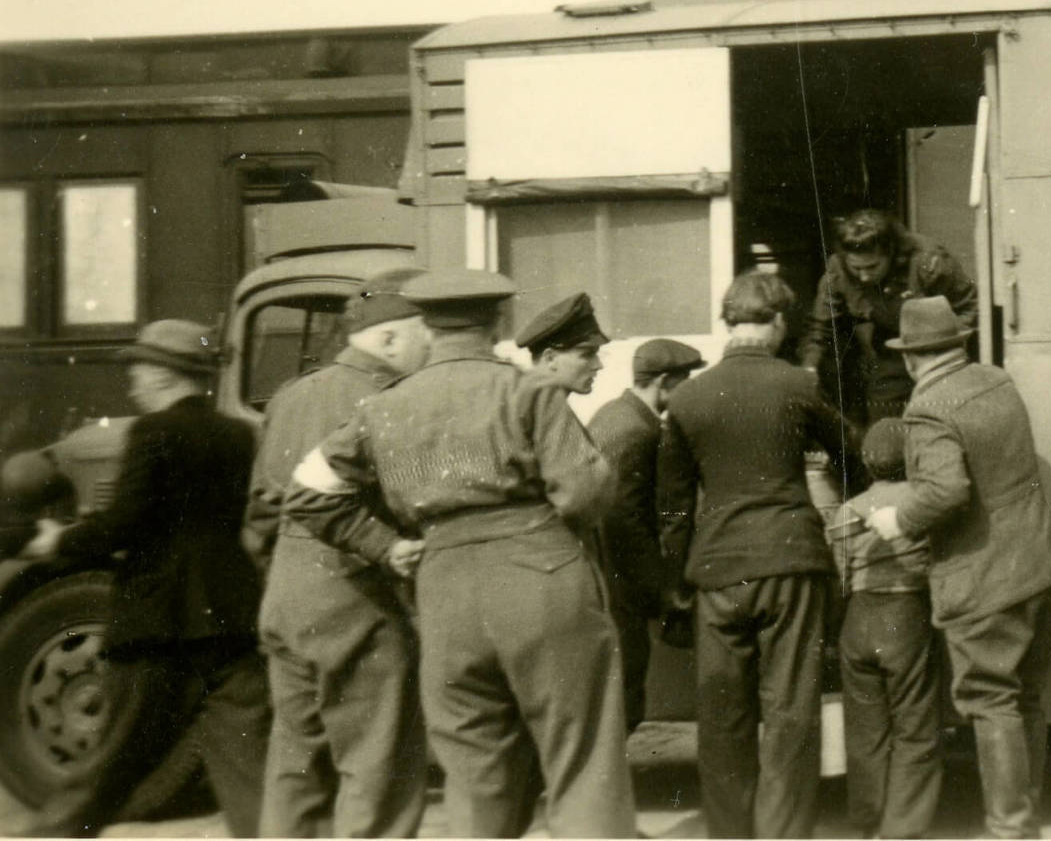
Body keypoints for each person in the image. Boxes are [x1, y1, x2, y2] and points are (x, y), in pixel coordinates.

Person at [285, 269, 632, 839]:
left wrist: (384, 545)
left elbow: (308, 490)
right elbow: (586, 492)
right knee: (581, 756)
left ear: (428, 326)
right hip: (540, 573)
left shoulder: (384, 406)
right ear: (497, 322)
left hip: (443, 590)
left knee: (474, 772)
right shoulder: (529, 392)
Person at [24, 320, 270, 837]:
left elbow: (125, 522)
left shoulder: (153, 432)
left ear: (163, 375)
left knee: (110, 760)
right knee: (248, 765)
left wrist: (58, 542)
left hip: (159, 618)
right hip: (232, 613)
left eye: (138, 370)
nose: (132, 382)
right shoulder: (239, 434)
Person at [658, 271, 855, 838]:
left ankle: (729, 832)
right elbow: (852, 450)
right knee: (792, 711)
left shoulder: (688, 396)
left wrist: (678, 582)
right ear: (776, 323)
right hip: (790, 562)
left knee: (723, 715)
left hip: (719, 574)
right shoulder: (797, 385)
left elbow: (671, 509)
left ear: (729, 322)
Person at [866, 296, 1051, 840]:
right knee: (1024, 697)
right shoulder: (996, 380)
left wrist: (897, 519)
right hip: (1041, 562)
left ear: (910, 359)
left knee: (988, 699)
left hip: (985, 577)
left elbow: (945, 490)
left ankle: (1011, 831)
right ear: (958, 343)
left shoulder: (927, 408)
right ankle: (1026, 817)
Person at [243, 268, 431, 838]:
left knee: (294, 762)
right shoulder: (391, 400)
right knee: (378, 768)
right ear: (392, 338)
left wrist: (287, 575)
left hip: (288, 595)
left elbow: (258, 516)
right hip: (361, 596)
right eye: (427, 334)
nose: (432, 349)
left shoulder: (291, 394)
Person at [585, 335, 706, 731]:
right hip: (619, 584)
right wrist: (661, 589)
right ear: (666, 381)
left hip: (603, 577)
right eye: (686, 380)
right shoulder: (640, 431)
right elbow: (623, 518)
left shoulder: (614, 414)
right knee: (624, 692)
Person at [830, 417, 941, 840]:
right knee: (915, 727)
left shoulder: (848, 509)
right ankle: (902, 829)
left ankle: (866, 821)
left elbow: (839, 573)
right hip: (907, 614)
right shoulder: (921, 503)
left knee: (864, 730)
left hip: (859, 619)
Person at [800, 208, 979, 424]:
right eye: (856, 268)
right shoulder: (837, 270)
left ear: (891, 251)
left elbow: (970, 307)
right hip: (891, 350)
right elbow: (821, 326)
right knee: (883, 423)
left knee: (947, 415)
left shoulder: (929, 260)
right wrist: (809, 369)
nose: (864, 276)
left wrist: (946, 354)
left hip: (941, 350)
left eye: (872, 266)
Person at [515, 290, 608, 396]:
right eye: (587, 354)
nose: (598, 365)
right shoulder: (533, 409)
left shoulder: (548, 408)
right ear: (550, 358)